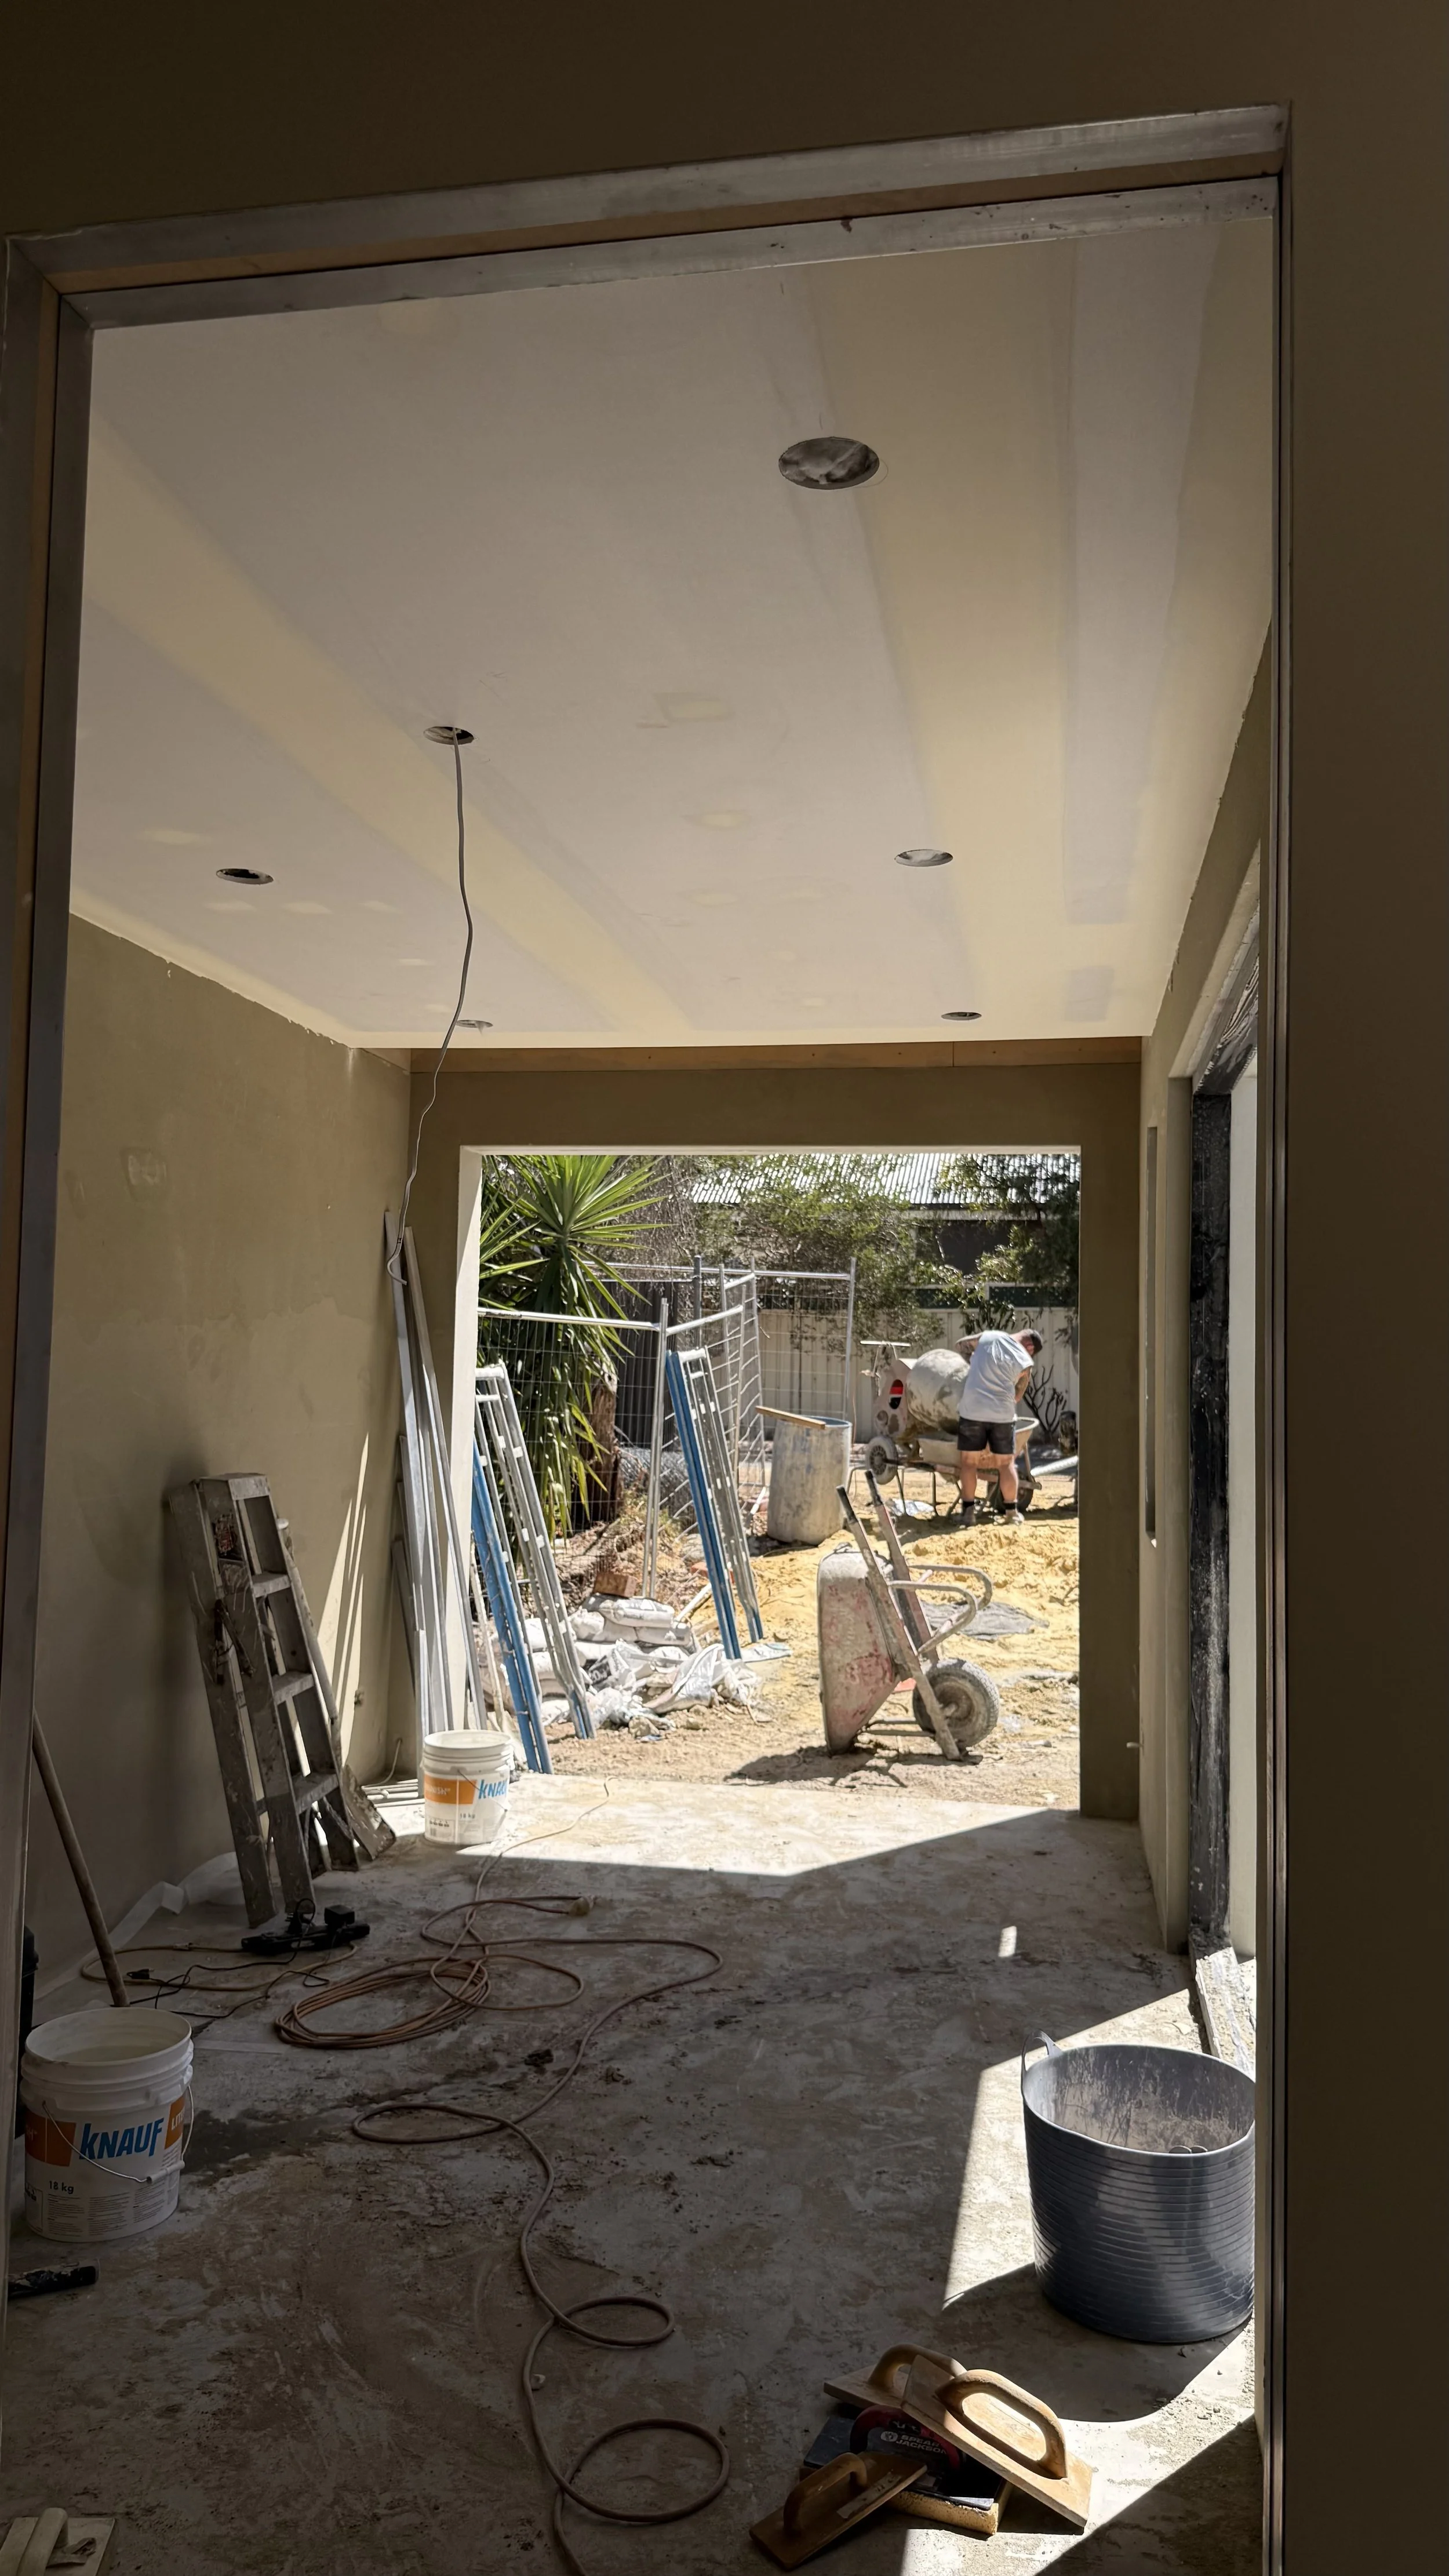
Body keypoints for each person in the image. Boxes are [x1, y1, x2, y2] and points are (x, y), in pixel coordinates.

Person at [954, 1326, 1043, 1526]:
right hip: (1003, 1416)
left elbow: (961, 1345)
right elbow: (1017, 1396)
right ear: (1029, 1345)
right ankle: (1011, 1513)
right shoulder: (1026, 1361)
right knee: (1006, 1464)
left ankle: (968, 1514)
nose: (1031, 1354)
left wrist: (976, 1363)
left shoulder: (989, 1337)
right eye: (1033, 1351)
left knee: (969, 1463)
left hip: (973, 1411)